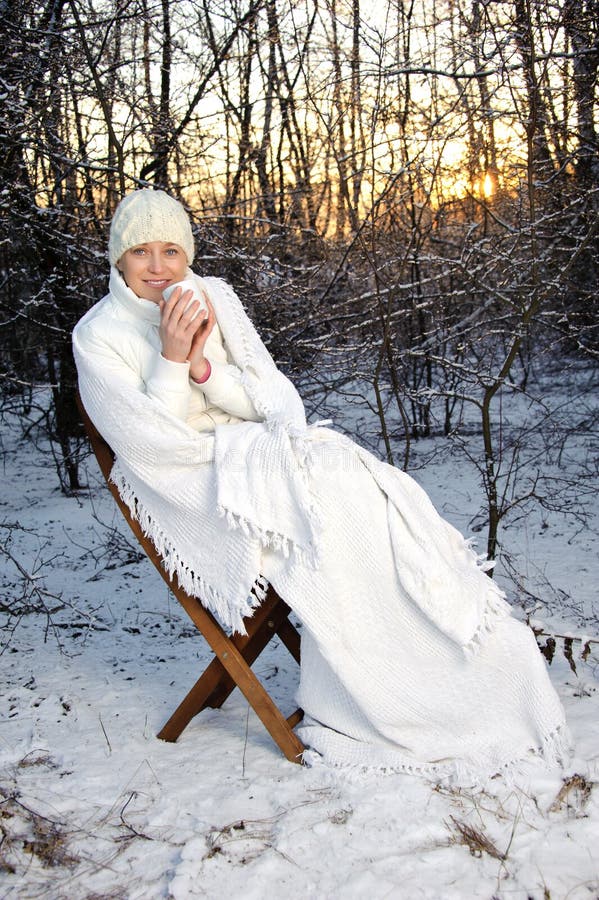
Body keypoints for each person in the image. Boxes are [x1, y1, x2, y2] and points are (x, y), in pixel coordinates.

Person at [73, 189, 569, 782]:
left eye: (172, 250)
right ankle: (393, 688)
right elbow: (155, 444)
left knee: (367, 494)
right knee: (334, 503)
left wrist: (207, 368)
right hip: (202, 489)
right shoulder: (97, 336)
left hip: (265, 457)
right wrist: (174, 359)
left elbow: (279, 402)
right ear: (118, 258)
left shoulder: (212, 299)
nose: (158, 267)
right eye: (141, 251)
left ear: (188, 254)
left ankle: (461, 659)